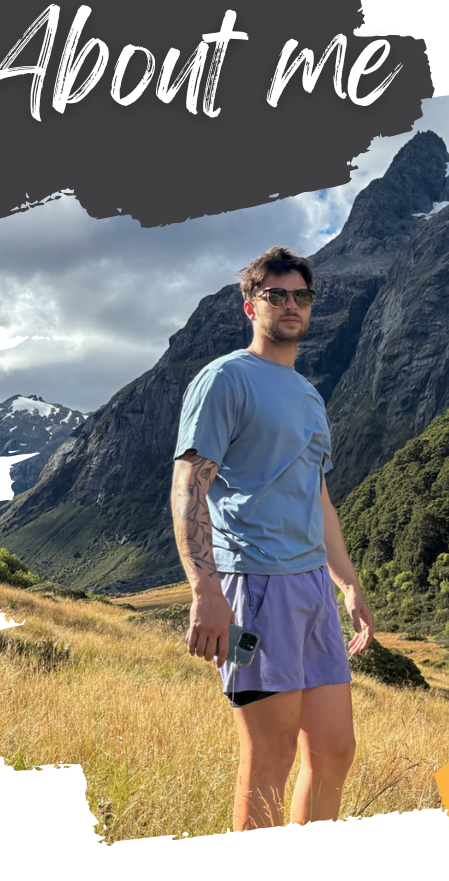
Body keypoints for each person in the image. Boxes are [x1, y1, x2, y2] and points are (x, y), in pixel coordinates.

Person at [169, 245, 374, 856]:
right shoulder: (226, 378)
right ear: (250, 304)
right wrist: (205, 590)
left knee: (335, 749)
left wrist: (349, 584)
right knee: (270, 754)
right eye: (276, 295)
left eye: (300, 297)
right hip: (252, 586)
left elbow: (319, 499)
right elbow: (189, 484)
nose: (290, 305)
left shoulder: (308, 396)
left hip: (311, 586)